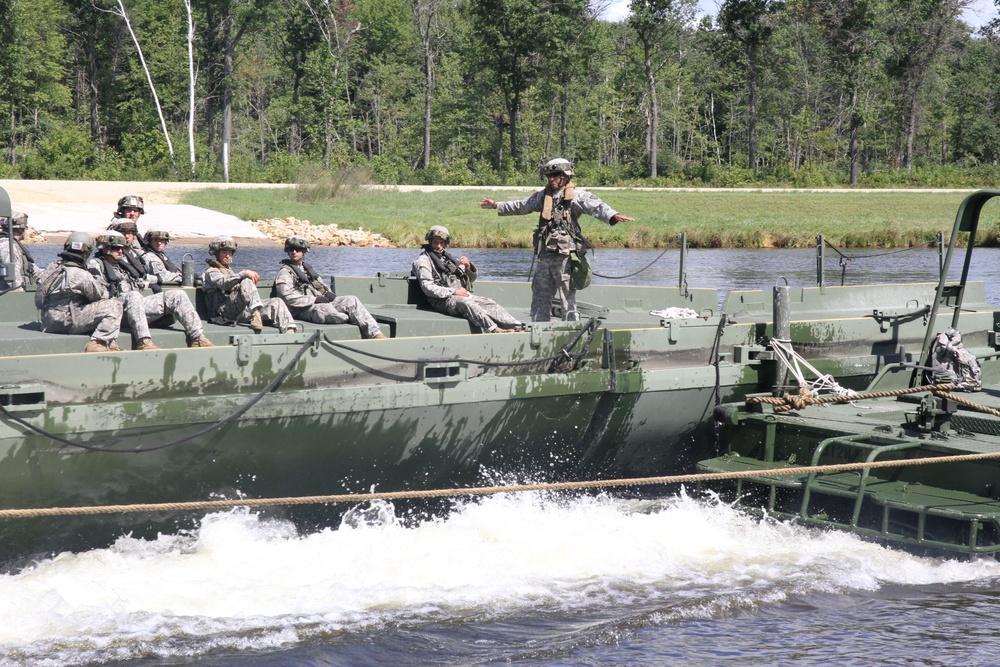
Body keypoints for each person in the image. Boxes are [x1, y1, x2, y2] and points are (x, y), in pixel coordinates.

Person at [479, 157, 634, 322]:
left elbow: (596, 206)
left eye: (555, 175)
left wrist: (613, 215)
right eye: (549, 176)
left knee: (567, 296)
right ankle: (540, 328)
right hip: (545, 254)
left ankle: (571, 330)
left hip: (565, 256)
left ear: (566, 175)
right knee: (540, 293)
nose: (551, 179)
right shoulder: (543, 196)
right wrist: (497, 205)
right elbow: (522, 205)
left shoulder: (576, 196)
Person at [89, 231, 214, 349]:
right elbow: (97, 294)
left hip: (135, 307)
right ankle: (143, 341)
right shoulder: (95, 264)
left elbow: (141, 280)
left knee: (177, 295)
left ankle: (198, 337)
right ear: (104, 248)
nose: (121, 251)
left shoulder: (122, 265)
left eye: (122, 247)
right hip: (115, 312)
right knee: (133, 296)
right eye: (116, 248)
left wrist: (160, 279)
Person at [412, 225, 523, 333]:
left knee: (489, 302)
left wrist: (468, 266)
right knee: (466, 303)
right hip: (442, 300)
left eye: (441, 243)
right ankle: (493, 328)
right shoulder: (424, 260)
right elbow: (428, 287)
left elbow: (468, 280)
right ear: (430, 242)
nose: (438, 246)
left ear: (445, 244)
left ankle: (516, 326)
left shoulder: (448, 260)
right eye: (435, 242)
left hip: (461, 294)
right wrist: (454, 291)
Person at [275, 235, 386, 339]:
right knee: (327, 310)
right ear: (287, 252)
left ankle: (376, 334)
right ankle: (349, 316)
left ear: (304, 251)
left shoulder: (306, 269)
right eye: (291, 250)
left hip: (319, 303)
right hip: (301, 309)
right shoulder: (285, 273)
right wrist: (314, 299)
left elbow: (321, 285)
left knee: (352, 300)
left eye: (297, 249)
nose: (294, 252)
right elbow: (285, 296)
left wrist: (329, 294)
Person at [35, 232, 125, 353]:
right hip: (65, 323)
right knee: (115, 305)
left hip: (47, 322)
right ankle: (100, 342)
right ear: (87, 253)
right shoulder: (81, 274)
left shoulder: (53, 267)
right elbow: (97, 297)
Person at [201, 235, 295, 333]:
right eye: (224, 252)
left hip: (239, 311)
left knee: (276, 302)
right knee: (246, 280)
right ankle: (255, 314)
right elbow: (223, 283)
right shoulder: (211, 272)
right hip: (222, 313)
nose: (228, 255)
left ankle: (290, 331)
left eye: (230, 252)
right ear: (216, 253)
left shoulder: (229, 271)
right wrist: (244, 274)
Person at [0, 211, 41, 291]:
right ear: (20, 229)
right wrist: (21, 295)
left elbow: (33, 270)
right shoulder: (7, 246)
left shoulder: (15, 245)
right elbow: (13, 279)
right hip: (11, 297)